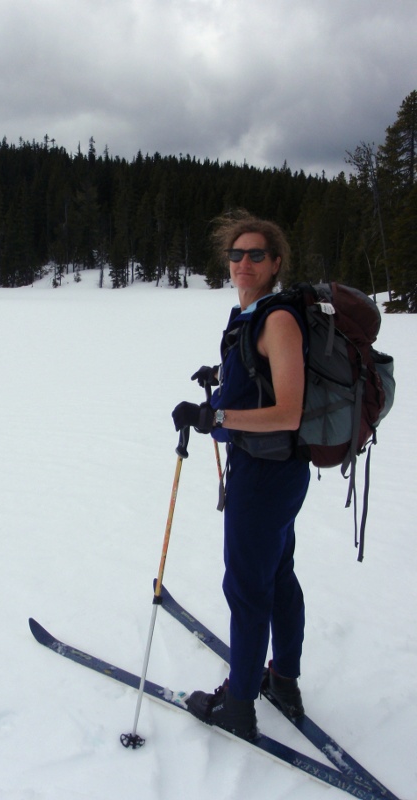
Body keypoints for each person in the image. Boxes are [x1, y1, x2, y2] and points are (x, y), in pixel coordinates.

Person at [171, 211, 310, 741]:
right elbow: (263, 381)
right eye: (236, 254)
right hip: (273, 472)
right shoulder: (252, 316)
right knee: (275, 577)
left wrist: (216, 416)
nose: (244, 263)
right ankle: (284, 680)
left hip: (266, 476)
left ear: (276, 263)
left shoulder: (277, 319)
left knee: (248, 588)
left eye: (256, 255)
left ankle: (239, 704)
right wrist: (223, 379)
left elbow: (290, 411)